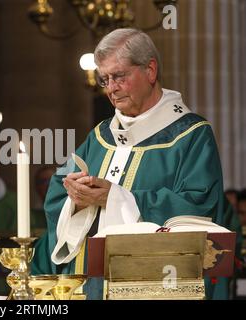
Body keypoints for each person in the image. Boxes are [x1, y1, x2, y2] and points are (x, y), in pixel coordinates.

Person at [42, 28, 242, 300]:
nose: (111, 88)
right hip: (92, 288)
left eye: (119, 76)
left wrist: (116, 198)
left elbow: (199, 208)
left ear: (150, 70)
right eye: (105, 80)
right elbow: (58, 188)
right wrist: (76, 198)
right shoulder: (100, 136)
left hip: (158, 288)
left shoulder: (190, 136)